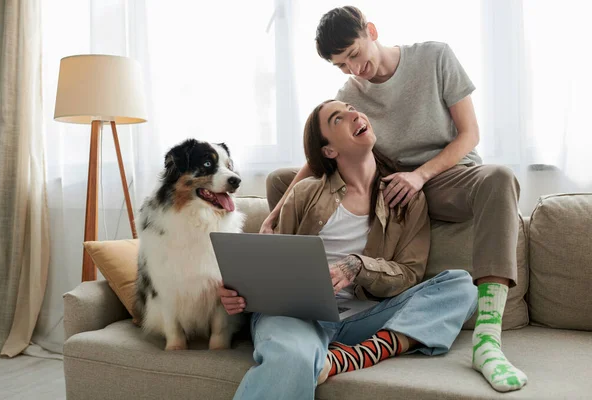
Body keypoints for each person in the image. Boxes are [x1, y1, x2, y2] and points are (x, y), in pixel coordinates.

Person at [260, 6, 526, 393]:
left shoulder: (435, 56)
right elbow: (318, 156)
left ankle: (487, 339)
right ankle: (302, 300)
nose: (353, 69)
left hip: (446, 176)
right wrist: (279, 209)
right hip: (390, 184)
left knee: (499, 177)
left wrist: (420, 175)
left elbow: (469, 135)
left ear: (370, 30)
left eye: (353, 54)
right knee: (284, 181)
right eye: (341, 65)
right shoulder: (350, 94)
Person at [220, 99, 477, 400]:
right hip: (300, 316)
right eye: (338, 119)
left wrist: (357, 266)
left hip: (367, 318)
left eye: (352, 108)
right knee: (293, 358)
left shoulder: (407, 199)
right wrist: (234, 294)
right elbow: (270, 267)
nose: (354, 114)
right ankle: (325, 355)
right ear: (329, 151)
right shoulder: (305, 192)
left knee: (462, 286)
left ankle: (350, 357)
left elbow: (409, 274)